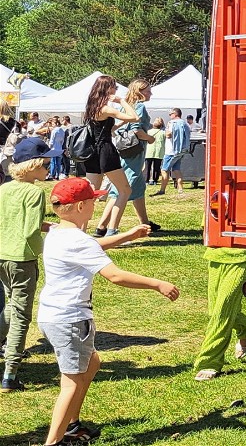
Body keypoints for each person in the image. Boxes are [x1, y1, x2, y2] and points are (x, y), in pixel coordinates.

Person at [37, 177, 178, 446]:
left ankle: (72, 425)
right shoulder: (78, 241)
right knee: (72, 383)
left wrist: (127, 236)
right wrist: (157, 284)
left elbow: (91, 247)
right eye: (93, 200)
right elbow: (114, 276)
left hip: (51, 315)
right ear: (80, 206)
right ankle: (54, 441)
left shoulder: (58, 232)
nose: (97, 202)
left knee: (92, 363)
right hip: (71, 320)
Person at [0, 137, 54, 392]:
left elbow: (13, 219)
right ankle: (10, 373)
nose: (48, 169)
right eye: (45, 164)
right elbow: (31, 230)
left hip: (1, 255)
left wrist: (48, 226)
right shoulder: (35, 192)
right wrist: (45, 249)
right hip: (22, 258)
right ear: (32, 166)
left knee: (11, 304)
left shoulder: (4, 189)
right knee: (22, 314)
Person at [94, 79, 159, 235]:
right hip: (134, 152)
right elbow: (137, 131)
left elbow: (120, 124)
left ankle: (144, 223)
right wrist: (150, 139)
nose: (151, 93)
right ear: (140, 92)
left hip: (126, 150)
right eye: (148, 91)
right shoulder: (140, 106)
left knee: (138, 187)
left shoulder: (127, 106)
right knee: (122, 189)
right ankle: (106, 227)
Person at [80, 75, 138, 237]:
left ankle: (81, 231)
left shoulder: (92, 107)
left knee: (90, 194)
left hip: (92, 153)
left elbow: (105, 130)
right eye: (115, 87)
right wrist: (122, 102)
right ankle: (112, 230)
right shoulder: (106, 108)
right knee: (125, 190)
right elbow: (134, 117)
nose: (116, 90)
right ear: (108, 89)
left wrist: (118, 122)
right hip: (105, 151)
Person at [193, 247, 246, 381]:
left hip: (240, 259)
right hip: (214, 257)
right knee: (216, 311)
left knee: (222, 312)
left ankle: (209, 362)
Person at [158, 109, 191, 195]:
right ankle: (180, 189)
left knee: (164, 170)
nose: (169, 115)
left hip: (171, 151)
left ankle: (162, 190)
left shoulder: (172, 123)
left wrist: (164, 131)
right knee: (176, 170)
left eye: (170, 114)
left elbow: (169, 135)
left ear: (175, 114)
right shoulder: (185, 124)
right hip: (180, 150)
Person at [144, 118, 166, 191]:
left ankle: (146, 180)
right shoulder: (163, 132)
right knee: (157, 167)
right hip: (159, 152)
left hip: (149, 151)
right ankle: (155, 180)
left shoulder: (148, 132)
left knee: (147, 167)